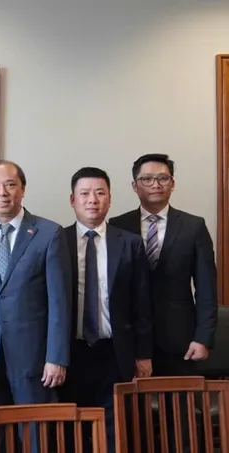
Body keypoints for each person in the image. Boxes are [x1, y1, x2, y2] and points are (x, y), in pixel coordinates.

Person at [109, 154, 217, 452]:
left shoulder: (194, 226)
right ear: (135, 186)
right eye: (147, 179)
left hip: (179, 339)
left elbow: (207, 288)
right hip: (129, 337)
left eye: (162, 178)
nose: (155, 184)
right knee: (133, 417)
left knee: (180, 421)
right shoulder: (117, 226)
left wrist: (203, 337)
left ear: (173, 183)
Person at [0, 160, 72, 453]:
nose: (2, 192)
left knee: (35, 436)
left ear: (23, 190)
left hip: (34, 359)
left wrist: (56, 357)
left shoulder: (49, 233)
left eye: (10, 185)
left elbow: (60, 302)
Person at [58, 167, 152, 453]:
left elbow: (141, 304)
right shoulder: (56, 241)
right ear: (72, 200)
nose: (92, 200)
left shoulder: (130, 243)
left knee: (114, 431)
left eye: (100, 193)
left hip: (114, 351)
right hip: (70, 352)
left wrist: (143, 355)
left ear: (109, 199)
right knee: (71, 430)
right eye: (85, 193)